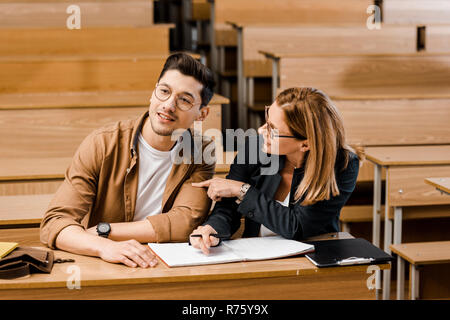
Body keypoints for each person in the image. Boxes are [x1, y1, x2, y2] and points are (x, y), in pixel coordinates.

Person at [40, 53, 216, 268]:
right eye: (164, 91)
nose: (169, 105)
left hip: (161, 263)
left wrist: (105, 231)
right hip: (105, 264)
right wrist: (104, 246)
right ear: (153, 93)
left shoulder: (201, 152)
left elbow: (184, 223)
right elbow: (56, 222)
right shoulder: (102, 143)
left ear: (202, 114)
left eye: (185, 100)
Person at [190, 87, 363, 254]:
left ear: (305, 144)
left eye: (273, 129)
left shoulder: (343, 165)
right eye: (267, 120)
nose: (261, 131)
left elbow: (297, 227)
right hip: (255, 253)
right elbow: (227, 207)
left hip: (313, 256)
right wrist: (212, 229)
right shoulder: (254, 147)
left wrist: (242, 189)